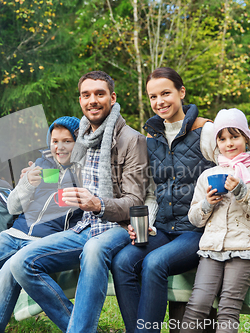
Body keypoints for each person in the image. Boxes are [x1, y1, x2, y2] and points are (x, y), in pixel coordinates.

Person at [111, 67, 250, 333]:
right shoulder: (152, 138)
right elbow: (153, 191)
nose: (159, 101)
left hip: (197, 230)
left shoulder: (207, 132)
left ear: (181, 93)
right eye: (153, 97)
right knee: (122, 262)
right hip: (163, 228)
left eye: (166, 93)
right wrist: (147, 224)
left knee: (154, 263)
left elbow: (241, 169)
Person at [10, 70, 149, 333]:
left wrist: (99, 205)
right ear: (80, 100)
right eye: (86, 95)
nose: (92, 100)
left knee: (94, 249)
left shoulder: (132, 140)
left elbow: (135, 201)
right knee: (20, 262)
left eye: (99, 94)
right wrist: (33, 175)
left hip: (117, 228)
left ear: (112, 98)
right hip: (83, 227)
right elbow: (62, 171)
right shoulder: (82, 138)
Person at [0, 116, 82, 333]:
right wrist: (27, 183)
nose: (60, 147)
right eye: (55, 141)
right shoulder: (41, 166)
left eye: (67, 141)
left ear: (78, 142)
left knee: (7, 274)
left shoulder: (83, 172)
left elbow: (75, 188)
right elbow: (12, 206)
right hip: (14, 234)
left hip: (44, 242)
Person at [180, 108, 250, 332]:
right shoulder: (207, 175)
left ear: (246, 137)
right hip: (212, 250)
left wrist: (242, 192)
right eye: (222, 139)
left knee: (228, 308)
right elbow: (194, 219)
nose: (229, 143)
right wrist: (208, 203)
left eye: (235, 136)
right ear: (217, 143)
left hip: (244, 249)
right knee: (197, 305)